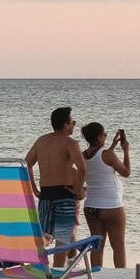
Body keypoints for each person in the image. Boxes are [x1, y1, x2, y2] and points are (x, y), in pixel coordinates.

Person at [24, 106, 83, 267]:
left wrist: (34, 189)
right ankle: (57, 273)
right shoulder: (70, 143)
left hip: (46, 194)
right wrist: (79, 190)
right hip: (65, 194)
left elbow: (26, 164)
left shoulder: (41, 141)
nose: (74, 125)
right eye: (73, 122)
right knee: (63, 237)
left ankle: (41, 268)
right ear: (66, 125)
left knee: (45, 236)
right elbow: (83, 168)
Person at [80, 123, 130, 269]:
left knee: (97, 246)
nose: (106, 137)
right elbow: (126, 172)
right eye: (104, 135)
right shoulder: (107, 154)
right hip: (111, 205)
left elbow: (100, 163)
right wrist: (126, 151)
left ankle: (95, 276)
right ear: (99, 136)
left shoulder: (83, 155)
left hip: (91, 206)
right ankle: (121, 276)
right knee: (118, 245)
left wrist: (113, 145)